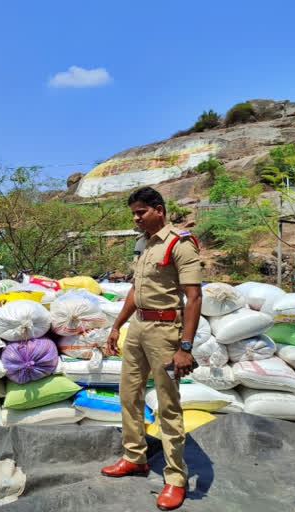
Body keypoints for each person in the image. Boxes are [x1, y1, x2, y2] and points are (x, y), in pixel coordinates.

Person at [102, 186, 202, 511]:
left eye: (141, 212)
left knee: (168, 404)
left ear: (159, 209)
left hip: (166, 331)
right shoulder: (142, 245)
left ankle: (175, 478)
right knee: (129, 394)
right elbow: (135, 289)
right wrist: (117, 325)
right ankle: (135, 457)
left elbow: (194, 297)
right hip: (139, 328)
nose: (136, 218)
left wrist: (185, 347)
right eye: (133, 213)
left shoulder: (179, 243)